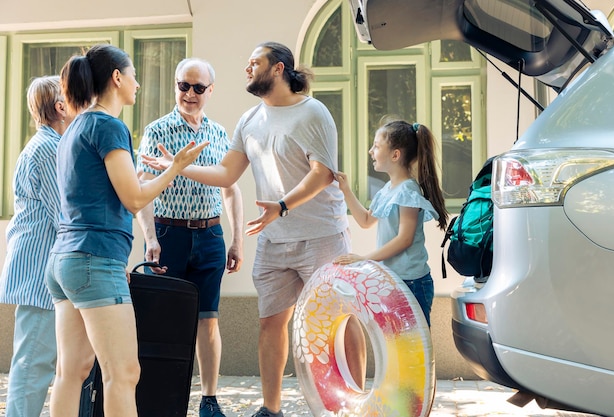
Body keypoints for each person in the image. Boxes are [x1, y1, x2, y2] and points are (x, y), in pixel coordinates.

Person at [141, 41, 366, 417]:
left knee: (338, 322)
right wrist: (177, 167)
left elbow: (322, 173)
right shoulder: (250, 120)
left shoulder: (313, 112)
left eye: (254, 63)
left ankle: (354, 404)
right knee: (270, 324)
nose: (247, 69)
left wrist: (281, 206)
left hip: (321, 236)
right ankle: (271, 408)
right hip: (275, 238)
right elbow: (227, 174)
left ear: (278, 68)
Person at [44, 44, 207, 417]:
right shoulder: (107, 125)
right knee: (124, 373)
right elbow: (133, 199)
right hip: (93, 261)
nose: (137, 84)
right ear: (117, 78)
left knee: (72, 371)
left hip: (66, 261)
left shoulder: (74, 128)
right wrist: (175, 167)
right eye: (133, 75)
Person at [135, 57, 244, 417]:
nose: (190, 93)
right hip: (169, 234)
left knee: (208, 319)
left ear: (211, 91)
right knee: (162, 321)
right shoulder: (157, 130)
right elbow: (141, 189)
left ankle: (209, 401)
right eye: (184, 85)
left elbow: (230, 188)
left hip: (210, 234)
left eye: (199, 87)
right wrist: (151, 238)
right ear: (175, 86)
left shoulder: (218, 132)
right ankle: (158, 399)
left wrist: (236, 239)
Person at [0, 76, 72, 417]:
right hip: (39, 273)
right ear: (60, 107)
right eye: (73, 97)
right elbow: (66, 214)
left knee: (41, 361)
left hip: (48, 270)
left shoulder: (53, 145)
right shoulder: (47, 149)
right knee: (33, 363)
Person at [333, 120, 449, 326]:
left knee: (416, 347)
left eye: (376, 146)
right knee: (400, 346)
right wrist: (346, 190)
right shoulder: (388, 189)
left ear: (395, 155)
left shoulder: (407, 191)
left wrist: (364, 259)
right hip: (393, 280)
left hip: (412, 283)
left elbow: (404, 239)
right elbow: (366, 221)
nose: (371, 151)